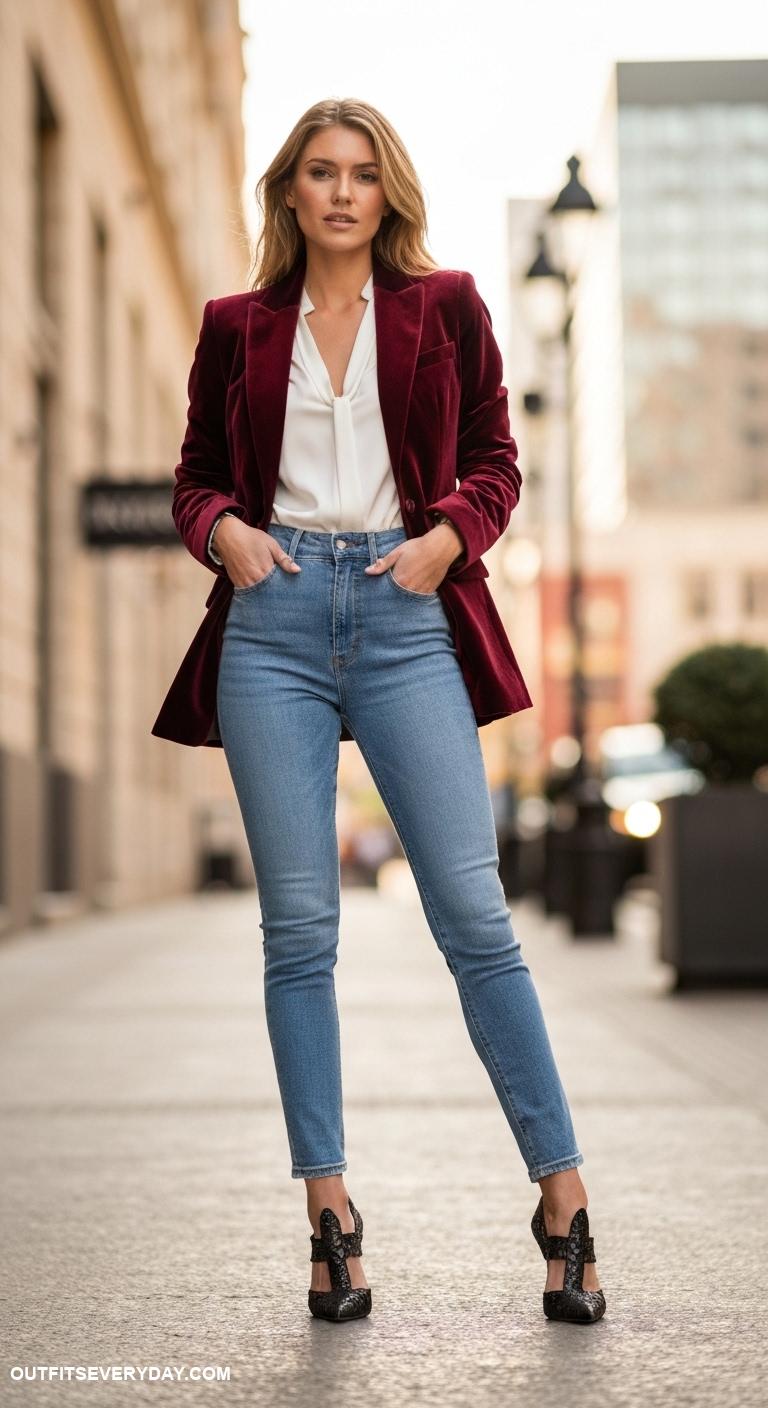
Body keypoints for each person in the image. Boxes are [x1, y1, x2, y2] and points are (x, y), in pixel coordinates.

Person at [157, 98, 606, 1327]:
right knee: (300, 931)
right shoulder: (234, 327)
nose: (343, 192)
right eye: (321, 172)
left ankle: (563, 1198)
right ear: (291, 192)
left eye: (363, 174)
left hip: (407, 614)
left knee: (475, 915)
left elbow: (497, 458)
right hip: (277, 622)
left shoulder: (447, 306)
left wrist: (451, 536)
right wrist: (229, 536)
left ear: (387, 191)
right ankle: (331, 1216)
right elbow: (195, 476)